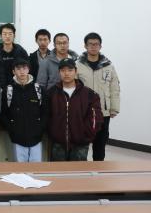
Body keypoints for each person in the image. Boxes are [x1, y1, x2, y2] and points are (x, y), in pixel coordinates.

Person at [47, 58, 103, 161]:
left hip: (81, 144)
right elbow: (46, 116)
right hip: (58, 143)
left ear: (76, 71)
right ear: (59, 72)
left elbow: (96, 118)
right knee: (57, 170)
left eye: (70, 70)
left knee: (78, 170)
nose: (66, 73)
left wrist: (86, 135)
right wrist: (53, 132)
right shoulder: (51, 93)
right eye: (63, 70)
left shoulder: (89, 94)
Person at [76, 32, 120, 161]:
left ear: (100, 46)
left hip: (103, 111)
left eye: (96, 44)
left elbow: (114, 88)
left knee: (100, 144)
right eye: (90, 44)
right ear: (85, 46)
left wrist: (114, 108)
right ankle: (81, 168)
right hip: (84, 111)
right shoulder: (77, 65)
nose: (93, 47)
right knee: (81, 143)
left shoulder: (108, 66)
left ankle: (99, 168)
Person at [0, 59, 47, 162]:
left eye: (24, 68)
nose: (22, 71)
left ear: (28, 70)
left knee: (36, 169)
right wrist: (12, 130)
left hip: (36, 138)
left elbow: (45, 112)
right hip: (17, 139)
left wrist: (40, 129)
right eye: (18, 69)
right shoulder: (8, 90)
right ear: (13, 71)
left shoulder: (39, 89)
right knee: (19, 170)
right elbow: (3, 114)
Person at [0, 23, 28, 90]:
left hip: (18, 88)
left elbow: (27, 69)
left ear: (14, 36)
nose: (7, 36)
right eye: (4, 34)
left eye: (10, 34)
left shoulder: (21, 51)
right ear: (0, 36)